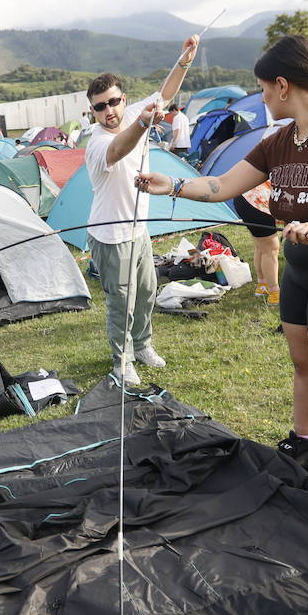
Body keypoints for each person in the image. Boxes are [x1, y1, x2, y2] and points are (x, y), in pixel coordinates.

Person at [137, 35, 308, 486]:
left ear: (282, 85)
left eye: (262, 89)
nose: (262, 98)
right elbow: (221, 186)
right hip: (301, 266)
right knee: (303, 364)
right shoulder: (280, 142)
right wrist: (174, 186)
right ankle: (303, 438)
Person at [83, 33, 199, 385]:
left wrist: (185, 60)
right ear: (92, 111)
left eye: (113, 102)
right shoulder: (97, 141)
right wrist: (143, 122)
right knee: (122, 302)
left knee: (147, 291)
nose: (109, 111)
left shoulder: (131, 112)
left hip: (138, 230)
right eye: (100, 107)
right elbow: (118, 150)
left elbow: (166, 94)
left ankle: (143, 344)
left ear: (123, 99)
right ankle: (122, 361)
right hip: (109, 236)